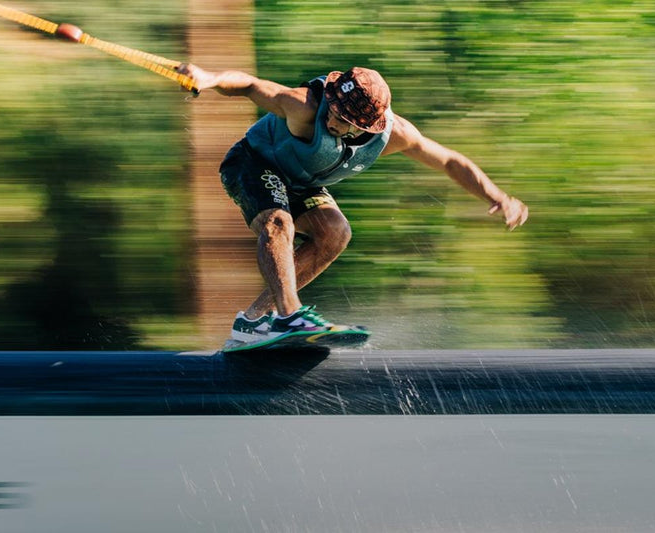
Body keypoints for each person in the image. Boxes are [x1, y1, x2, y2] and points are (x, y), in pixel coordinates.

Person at [177, 64, 530, 348]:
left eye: (344, 120)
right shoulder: (303, 105)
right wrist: (208, 79)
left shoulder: (395, 134)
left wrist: (496, 196)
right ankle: (289, 316)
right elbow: (250, 85)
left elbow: (449, 161)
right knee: (279, 221)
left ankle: (253, 322)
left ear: (366, 127)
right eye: (333, 109)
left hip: (302, 183)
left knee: (336, 233)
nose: (332, 120)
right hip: (251, 164)